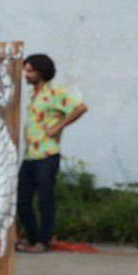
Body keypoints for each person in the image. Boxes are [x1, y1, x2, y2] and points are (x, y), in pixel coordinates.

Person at [18, 53, 88, 253]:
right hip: (30, 155)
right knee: (22, 199)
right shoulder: (33, 94)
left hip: (47, 154)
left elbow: (80, 107)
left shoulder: (56, 93)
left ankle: (43, 241)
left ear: (41, 72)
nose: (26, 74)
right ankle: (33, 238)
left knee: (44, 198)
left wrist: (59, 126)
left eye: (30, 71)